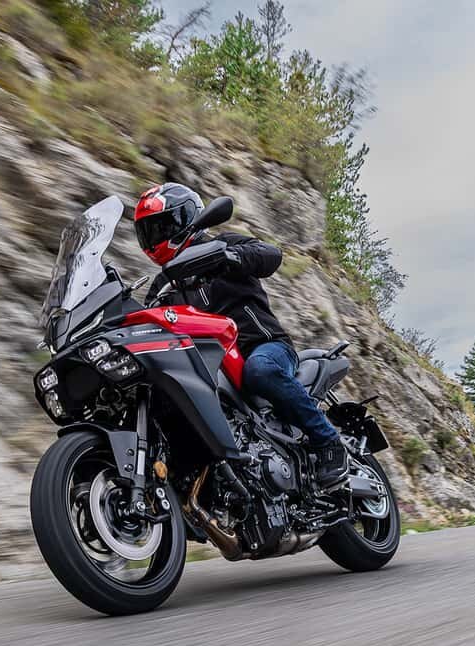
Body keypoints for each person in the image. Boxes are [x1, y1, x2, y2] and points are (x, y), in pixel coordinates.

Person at [134, 182, 347, 487]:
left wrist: (231, 257)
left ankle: (329, 442)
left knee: (260, 370)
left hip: (263, 346)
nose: (154, 237)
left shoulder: (222, 245)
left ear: (184, 220)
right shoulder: (163, 286)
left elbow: (271, 255)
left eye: (160, 227)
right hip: (207, 366)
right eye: (148, 231)